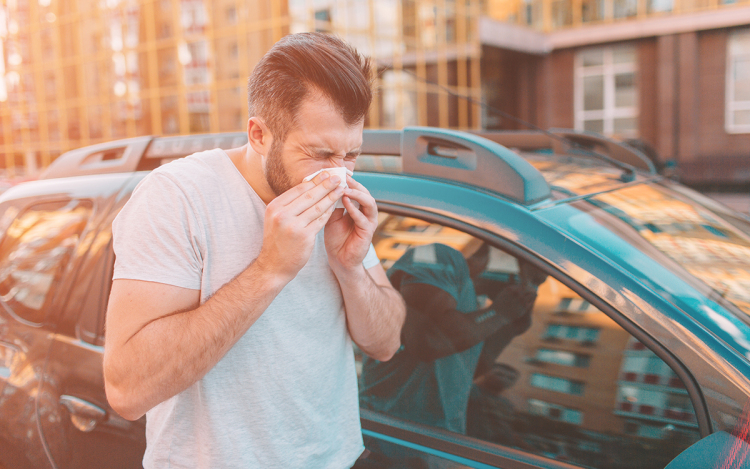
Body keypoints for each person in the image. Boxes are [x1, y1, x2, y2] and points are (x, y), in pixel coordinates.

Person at [102, 33, 406, 469]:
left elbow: (387, 343)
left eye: (352, 155)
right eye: (320, 153)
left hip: (338, 459)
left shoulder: (338, 205)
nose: (338, 175)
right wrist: (269, 269)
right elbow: (127, 390)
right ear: (259, 134)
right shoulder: (177, 197)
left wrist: (351, 267)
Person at [359, 241, 544, 434]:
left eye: (537, 284)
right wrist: (499, 314)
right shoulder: (439, 258)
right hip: (387, 434)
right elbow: (429, 340)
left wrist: (508, 328)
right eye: (532, 279)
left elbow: (465, 371)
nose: (530, 289)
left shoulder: (468, 298)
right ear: (508, 256)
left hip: (433, 441)